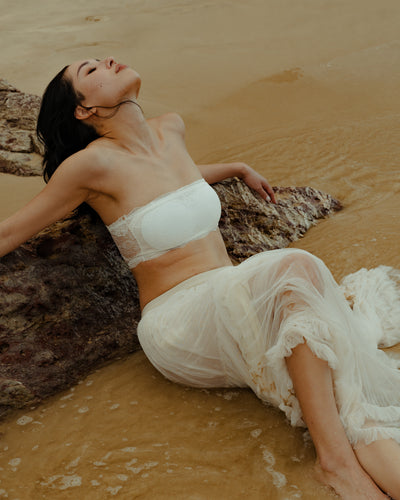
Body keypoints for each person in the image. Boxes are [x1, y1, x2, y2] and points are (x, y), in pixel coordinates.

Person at [0, 56, 399, 499]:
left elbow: (176, 181)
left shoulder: (170, 129)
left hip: (233, 297)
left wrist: (236, 168)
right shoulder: (88, 168)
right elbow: (14, 229)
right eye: (90, 71)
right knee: (296, 269)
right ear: (83, 110)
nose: (107, 61)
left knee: (346, 387)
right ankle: (335, 463)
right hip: (180, 321)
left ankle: (358, 463)